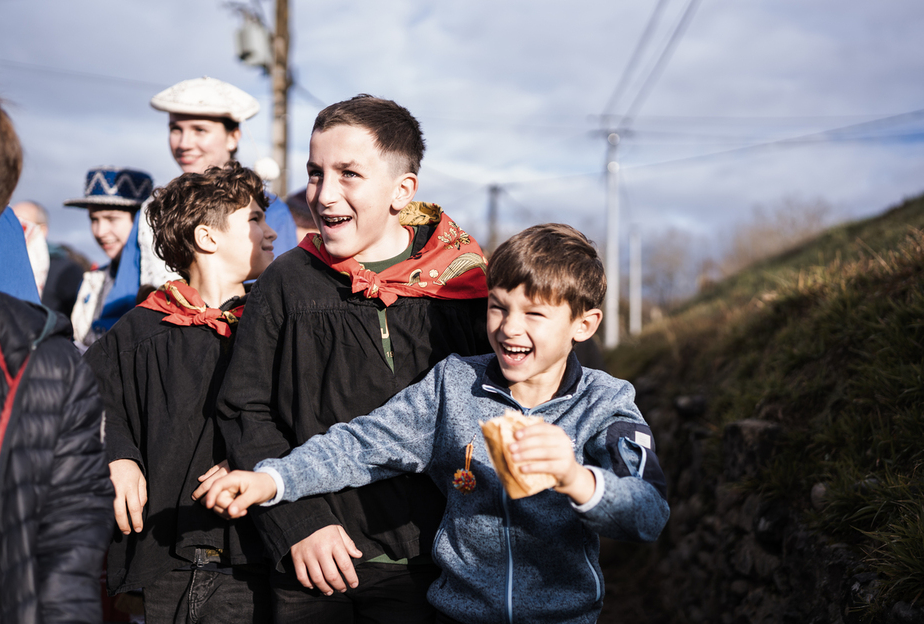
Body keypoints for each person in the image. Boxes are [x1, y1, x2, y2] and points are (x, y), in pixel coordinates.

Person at [202, 223, 671, 624]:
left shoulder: (606, 402)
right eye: (498, 306)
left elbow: (648, 513)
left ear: (583, 325)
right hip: (454, 615)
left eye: (534, 314)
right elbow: (363, 444)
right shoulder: (453, 383)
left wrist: (577, 479)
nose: (509, 327)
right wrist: (273, 478)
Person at [204, 94, 490, 623]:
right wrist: (298, 523)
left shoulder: (464, 285)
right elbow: (245, 411)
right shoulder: (286, 282)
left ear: (402, 191)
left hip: (437, 566)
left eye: (348, 173)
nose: (324, 194)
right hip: (316, 569)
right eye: (315, 173)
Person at [84, 161, 277, 622]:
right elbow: (88, 394)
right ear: (207, 239)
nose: (270, 233)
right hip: (168, 555)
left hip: (256, 556)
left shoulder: (274, 323)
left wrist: (256, 459)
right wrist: (118, 454)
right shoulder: (141, 329)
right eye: (254, 220)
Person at [0, 92, 114, 623]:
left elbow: (65, 551)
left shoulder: (52, 363)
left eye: (112, 215)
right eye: (95, 216)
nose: (101, 228)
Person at [131, 76, 297, 289]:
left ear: (233, 137)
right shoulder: (153, 209)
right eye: (175, 129)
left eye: (200, 130)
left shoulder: (268, 208)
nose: (184, 143)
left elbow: (280, 287)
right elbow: (123, 298)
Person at [64, 166, 154, 348]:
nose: (100, 232)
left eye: (111, 219)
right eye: (94, 219)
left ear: (140, 222)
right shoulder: (93, 280)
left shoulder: (164, 281)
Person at [11, 200, 88, 316]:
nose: (13, 231)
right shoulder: (3, 264)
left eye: (21, 225)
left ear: (42, 230)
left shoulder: (66, 270)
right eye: (9, 224)